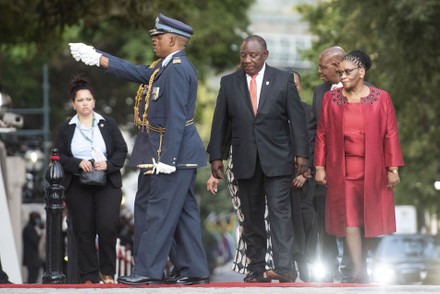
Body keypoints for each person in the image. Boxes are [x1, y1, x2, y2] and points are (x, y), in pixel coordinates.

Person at [68, 13, 209, 285]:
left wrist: (169, 158)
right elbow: (136, 72)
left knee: (156, 211)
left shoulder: (177, 68)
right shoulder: (164, 66)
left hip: (170, 155)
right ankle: (192, 267)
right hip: (163, 153)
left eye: (158, 37)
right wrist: (98, 57)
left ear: (172, 39)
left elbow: (177, 117)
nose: (154, 41)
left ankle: (148, 270)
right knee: (181, 213)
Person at [208, 35, 309, 283]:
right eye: (243, 55)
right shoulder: (229, 83)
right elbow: (220, 122)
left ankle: (285, 267)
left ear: (265, 55)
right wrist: (216, 156)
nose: (247, 60)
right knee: (251, 217)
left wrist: (302, 154)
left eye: (253, 55)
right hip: (244, 160)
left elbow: (297, 121)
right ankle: (256, 268)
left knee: (280, 214)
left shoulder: (283, 80)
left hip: (278, 160)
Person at [314, 50, 404, 283]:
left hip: (373, 170)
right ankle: (357, 270)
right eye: (340, 72)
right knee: (350, 220)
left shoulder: (381, 98)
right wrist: (320, 166)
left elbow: (390, 134)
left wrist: (392, 169)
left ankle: (362, 264)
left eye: (347, 72)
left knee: (369, 221)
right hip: (342, 170)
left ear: (361, 72)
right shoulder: (331, 99)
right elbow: (322, 134)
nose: (341, 76)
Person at [55, 75, 128, 284]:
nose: (84, 103)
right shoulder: (66, 128)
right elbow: (58, 155)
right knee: (84, 230)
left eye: (88, 99)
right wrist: (77, 162)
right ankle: (88, 276)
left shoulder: (108, 124)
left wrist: (108, 164)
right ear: (73, 104)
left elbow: (122, 150)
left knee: (107, 227)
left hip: (107, 182)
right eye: (80, 100)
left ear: (94, 101)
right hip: (78, 184)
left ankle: (107, 274)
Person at [310, 46, 349, 282]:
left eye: (322, 67)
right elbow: (314, 129)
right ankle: (328, 268)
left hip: (353, 169)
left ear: (336, 66)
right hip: (325, 171)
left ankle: (352, 266)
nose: (319, 71)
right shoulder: (319, 91)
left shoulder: (363, 90)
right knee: (324, 220)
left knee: (353, 220)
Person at [22, 211, 44, 283]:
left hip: (34, 258)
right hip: (31, 259)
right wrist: (41, 234)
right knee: (32, 278)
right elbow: (36, 242)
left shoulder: (32, 228)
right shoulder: (29, 229)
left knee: (34, 277)